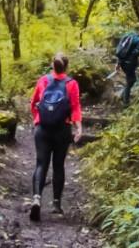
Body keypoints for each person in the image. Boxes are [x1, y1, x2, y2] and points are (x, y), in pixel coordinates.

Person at [29, 52, 82, 222]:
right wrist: (78, 127)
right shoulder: (72, 84)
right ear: (66, 67)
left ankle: (37, 198)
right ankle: (57, 204)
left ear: (53, 65)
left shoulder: (43, 80)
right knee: (58, 165)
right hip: (62, 130)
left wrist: (37, 120)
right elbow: (75, 107)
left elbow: (33, 102)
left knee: (41, 163)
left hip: (43, 128)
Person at [114, 30, 139, 105]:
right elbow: (138, 52)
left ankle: (123, 96)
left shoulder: (126, 37)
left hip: (122, 63)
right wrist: (132, 58)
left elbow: (120, 50)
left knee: (130, 80)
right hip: (130, 63)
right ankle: (125, 102)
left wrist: (118, 63)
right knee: (131, 80)